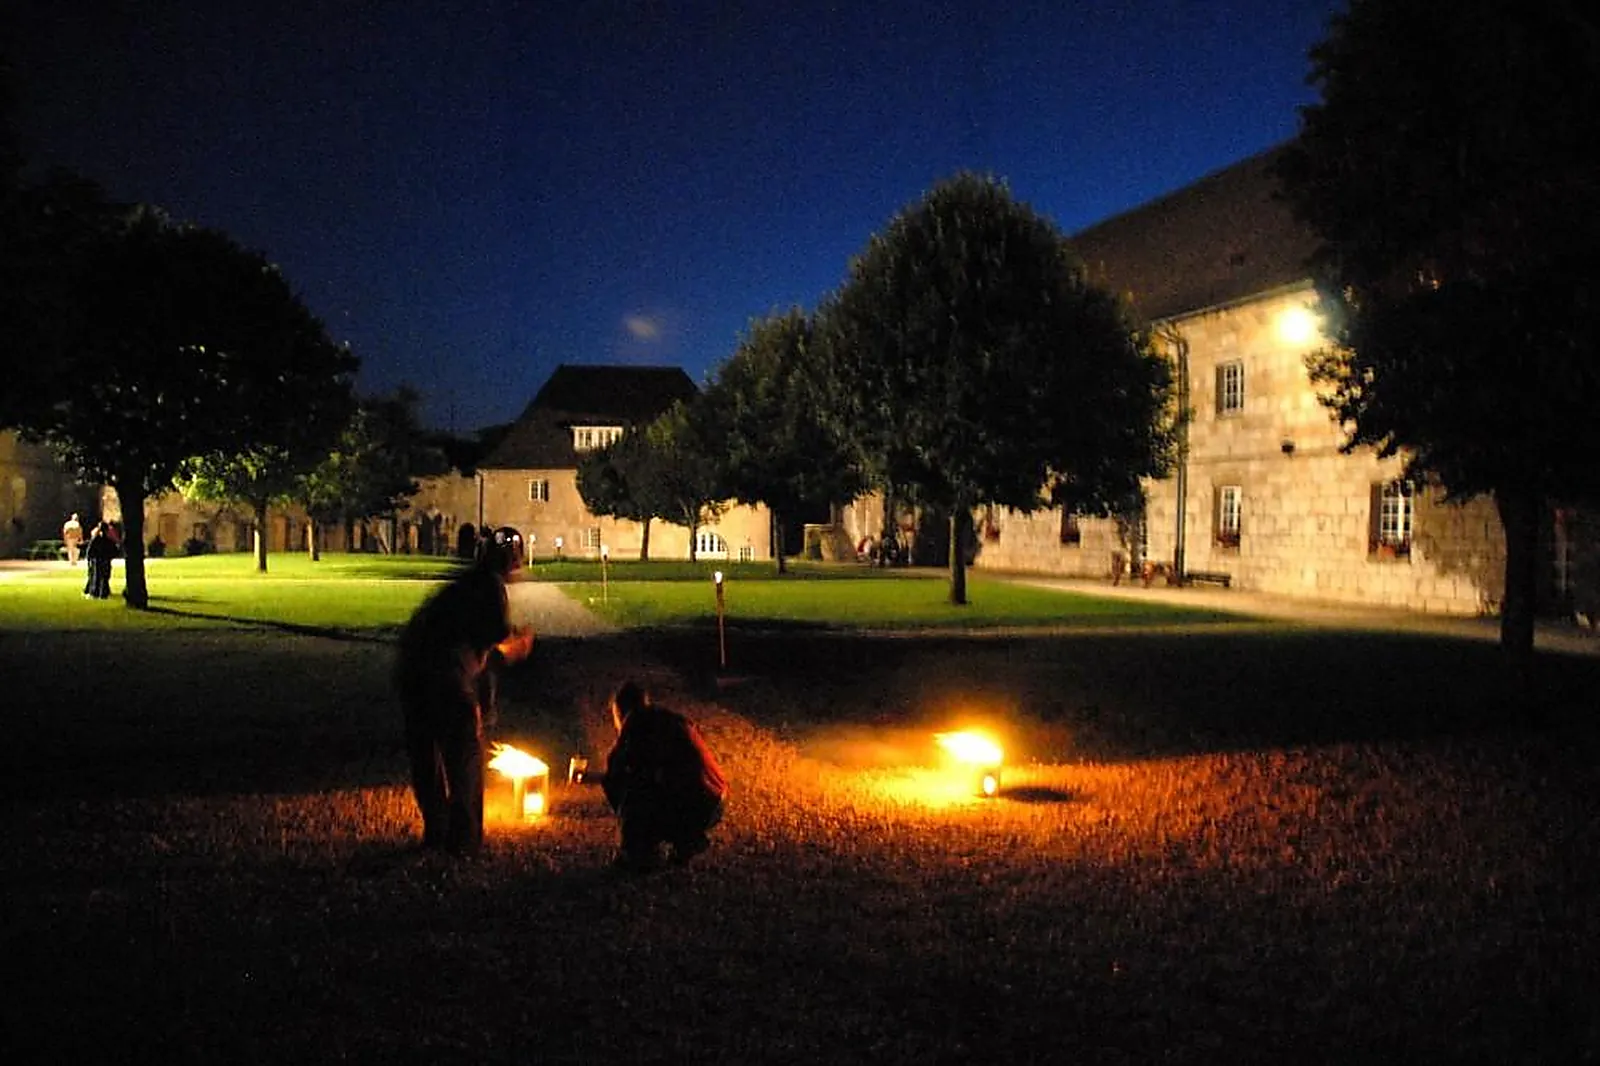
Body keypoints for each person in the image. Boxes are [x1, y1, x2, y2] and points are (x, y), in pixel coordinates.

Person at [394, 528, 535, 855]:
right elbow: (494, 645)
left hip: (412, 674)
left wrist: (483, 701)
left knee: (426, 757)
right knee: (463, 760)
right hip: (444, 678)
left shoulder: (465, 584)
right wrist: (520, 644)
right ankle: (463, 840)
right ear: (511, 561)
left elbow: (481, 654)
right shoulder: (490, 586)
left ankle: (436, 830)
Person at [602, 680, 728, 871]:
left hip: (696, 805)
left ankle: (638, 853)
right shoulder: (669, 718)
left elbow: (618, 770)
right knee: (653, 783)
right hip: (716, 800)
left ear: (620, 711)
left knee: (634, 793)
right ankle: (686, 839)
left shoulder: (636, 722)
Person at [83, 521, 115, 599]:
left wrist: (89, 558)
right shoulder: (108, 540)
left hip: (97, 560)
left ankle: (95, 592)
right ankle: (103, 593)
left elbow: (90, 550)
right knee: (104, 577)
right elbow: (114, 550)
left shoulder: (96, 539)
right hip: (105, 560)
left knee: (96, 576)